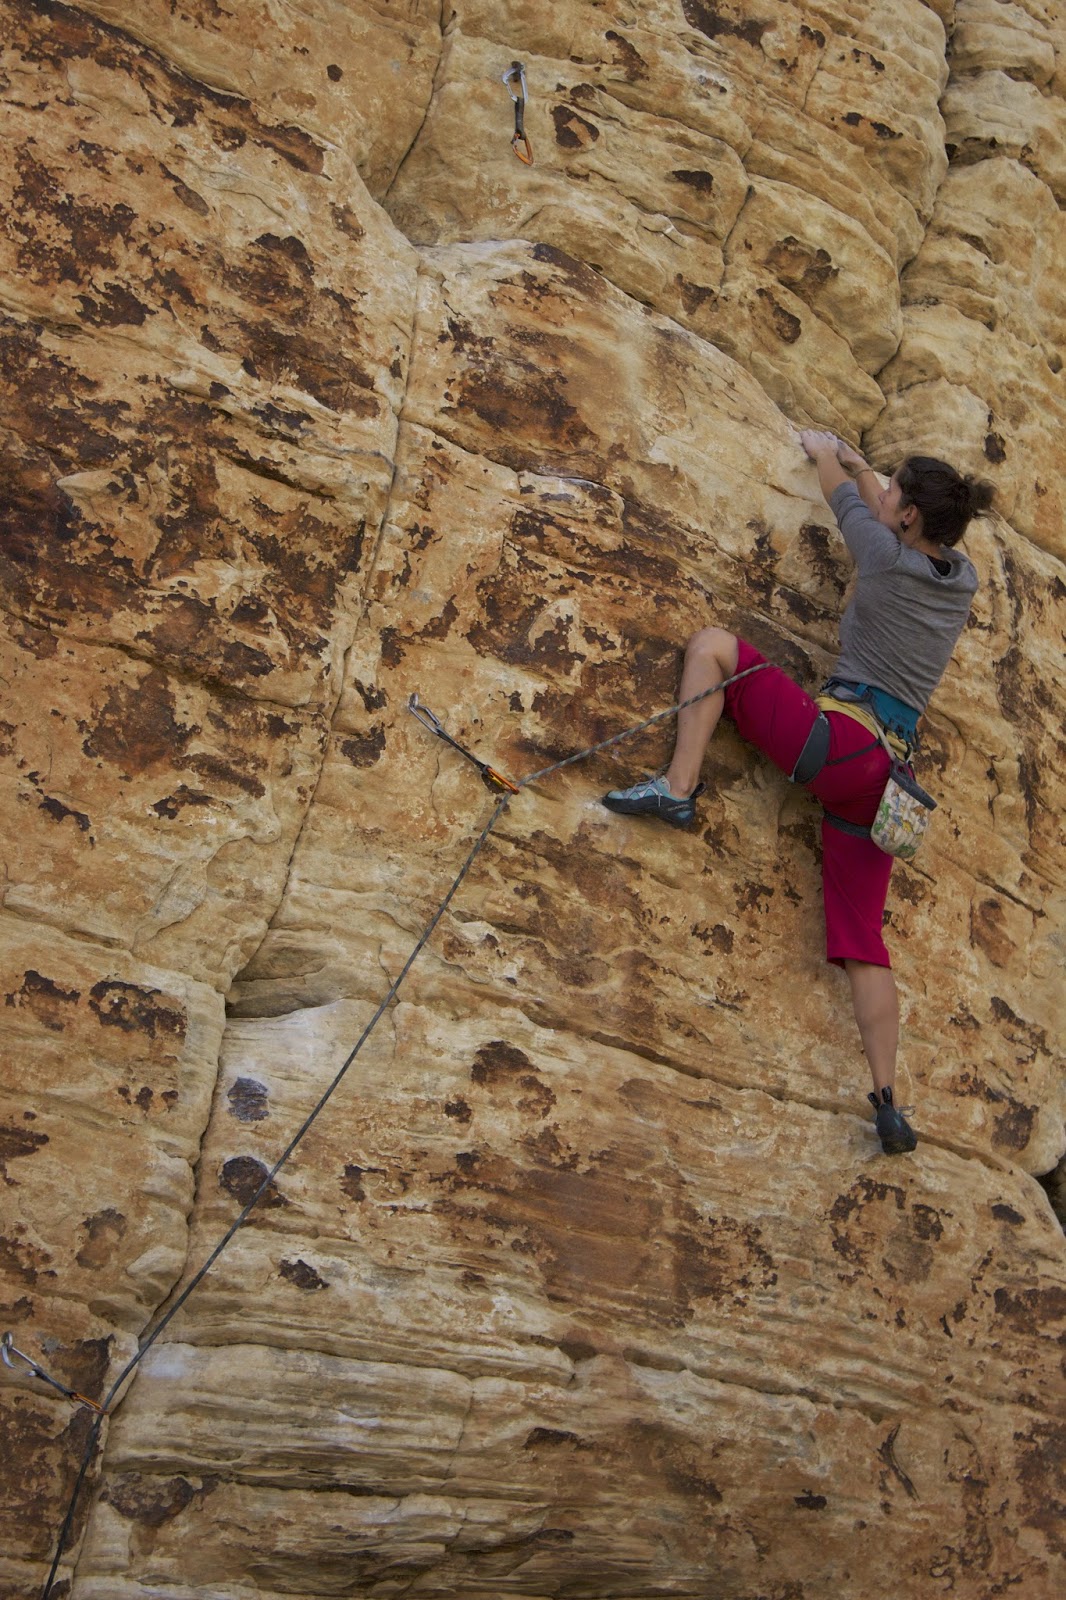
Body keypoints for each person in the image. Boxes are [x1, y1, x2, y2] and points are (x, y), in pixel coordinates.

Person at [603, 431, 994, 1155]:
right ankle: (888, 1102)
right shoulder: (961, 578)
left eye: (895, 492)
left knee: (713, 646)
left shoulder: (881, 557)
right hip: (886, 786)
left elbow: (846, 498)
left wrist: (828, 453)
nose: (884, 494)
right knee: (864, 944)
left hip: (839, 746)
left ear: (908, 515)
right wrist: (870, 466)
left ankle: (677, 789)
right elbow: (886, 504)